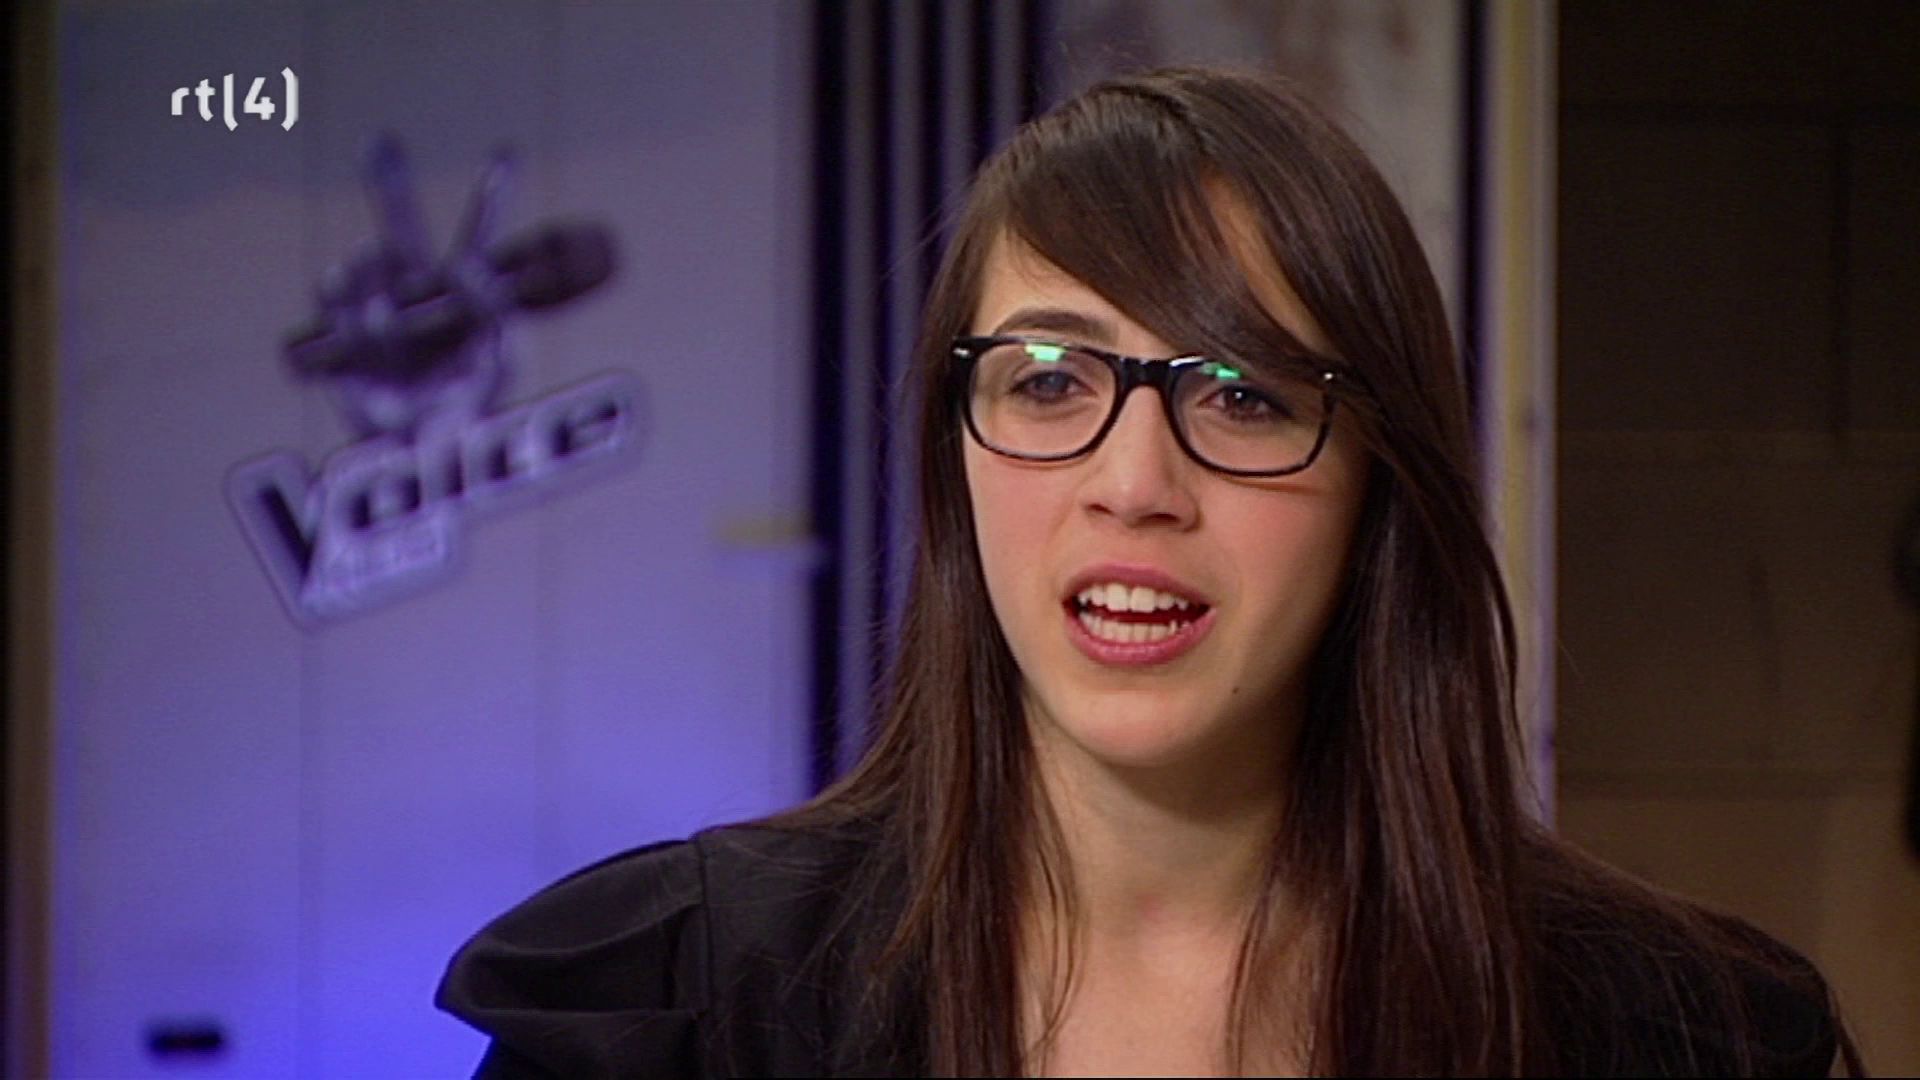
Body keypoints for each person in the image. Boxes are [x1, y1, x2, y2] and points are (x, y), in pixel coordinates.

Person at [435, 67, 1858, 1077]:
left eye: (1241, 396)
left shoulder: (1667, 1033)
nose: (1133, 482)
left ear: (1382, 478)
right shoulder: (688, 1013)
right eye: (1050, 381)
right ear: (953, 454)